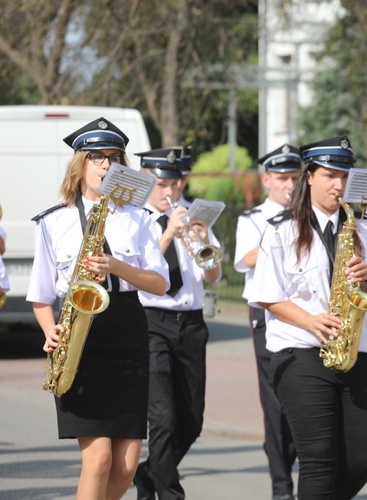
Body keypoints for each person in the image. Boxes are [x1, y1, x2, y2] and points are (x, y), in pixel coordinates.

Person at [27, 117, 169, 500]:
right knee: (100, 460)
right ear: (80, 164)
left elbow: (160, 282)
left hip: (127, 336)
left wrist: (118, 266)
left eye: (113, 157)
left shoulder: (139, 219)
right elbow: (41, 295)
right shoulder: (53, 222)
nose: (106, 165)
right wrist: (48, 330)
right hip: (79, 339)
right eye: (96, 157)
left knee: (124, 469)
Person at [248, 135, 367, 499]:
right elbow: (266, 295)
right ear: (309, 177)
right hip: (300, 353)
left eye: (344, 175)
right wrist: (310, 321)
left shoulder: (366, 227)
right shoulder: (281, 229)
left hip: (355, 352)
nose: (339, 185)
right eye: (330, 175)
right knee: (319, 459)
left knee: (364, 457)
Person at [132, 147, 222, 500]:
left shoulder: (195, 214)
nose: (168, 193)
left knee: (192, 421)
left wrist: (200, 238)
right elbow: (141, 269)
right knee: (163, 419)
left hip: (192, 323)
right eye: (159, 184)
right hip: (151, 321)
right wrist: (168, 233)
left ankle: (148, 473)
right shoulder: (135, 219)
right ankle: (170, 492)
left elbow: (214, 275)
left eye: (173, 184)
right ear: (145, 181)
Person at [234, 143, 301, 500]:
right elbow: (245, 259)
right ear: (267, 180)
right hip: (265, 311)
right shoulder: (253, 218)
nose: (289, 184)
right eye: (282, 178)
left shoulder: (307, 214)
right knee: (275, 401)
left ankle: (285, 455)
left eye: (294, 177)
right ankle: (281, 487)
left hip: (302, 310)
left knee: (301, 399)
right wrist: (278, 234)